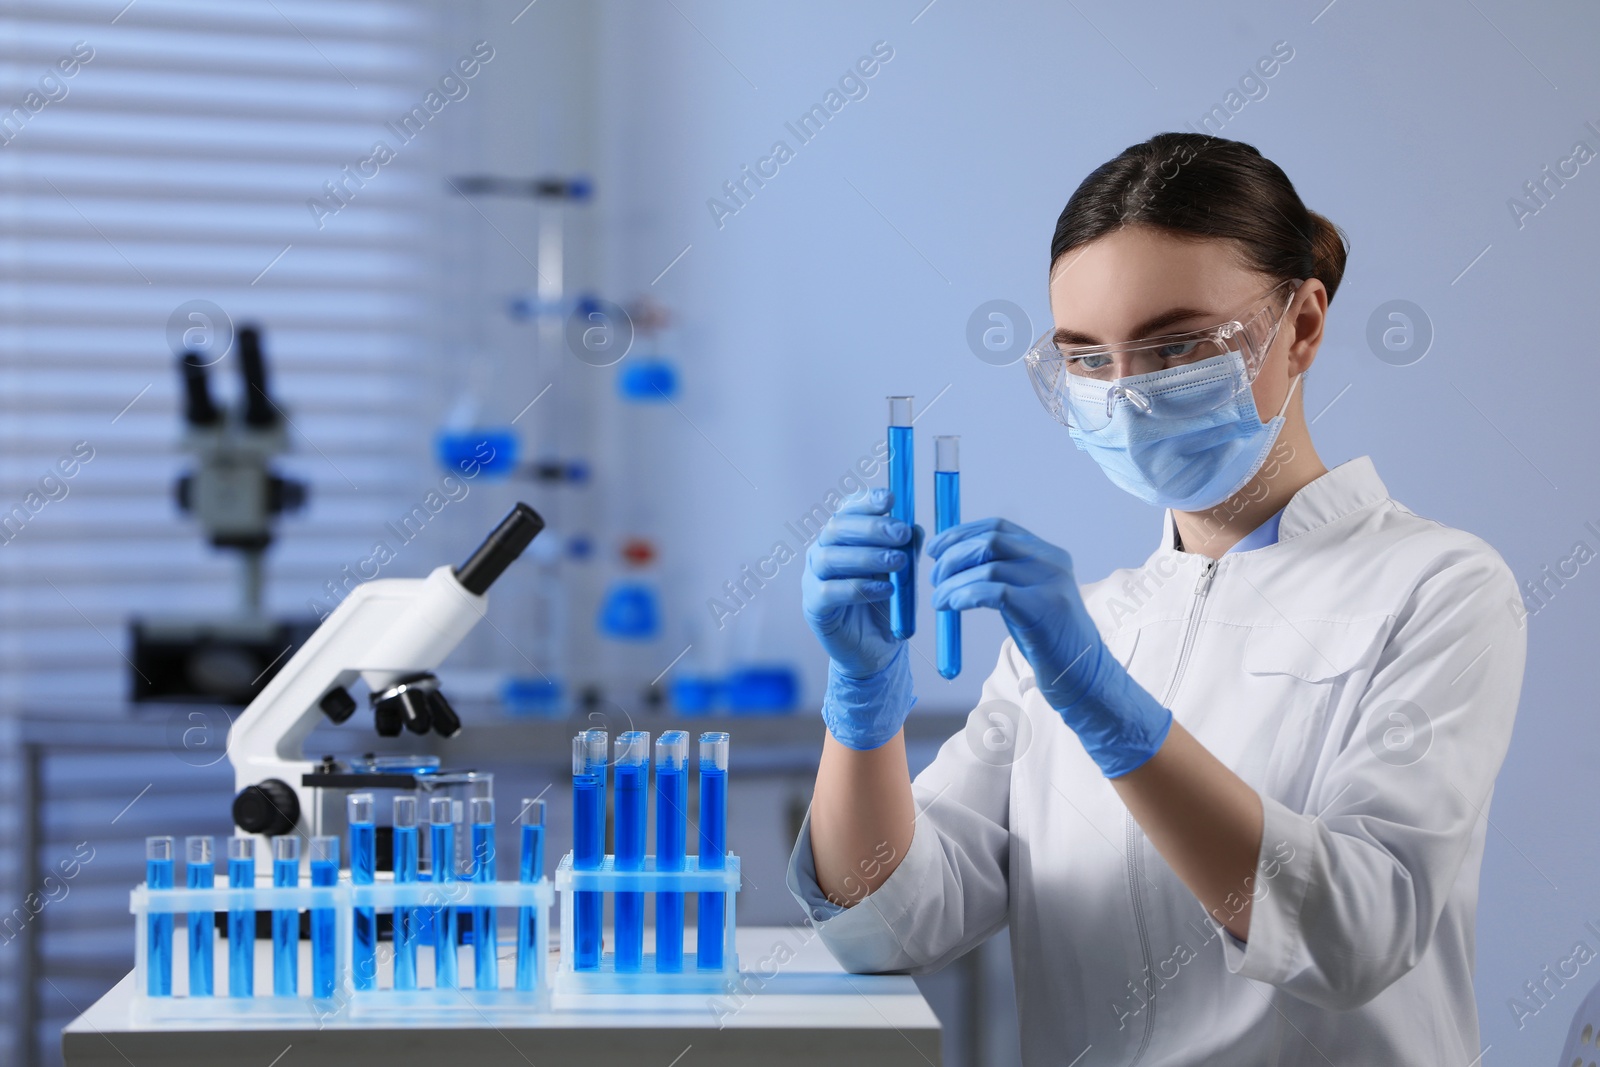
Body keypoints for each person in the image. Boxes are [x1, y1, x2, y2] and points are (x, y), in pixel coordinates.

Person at [788, 132, 1526, 1065]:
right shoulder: (1079, 628)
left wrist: (1108, 706)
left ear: (1302, 325)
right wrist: (861, 705)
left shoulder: (1438, 587)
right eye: (1087, 359)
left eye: (1176, 346)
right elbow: (887, 924)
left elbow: (1357, 934)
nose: (1128, 393)